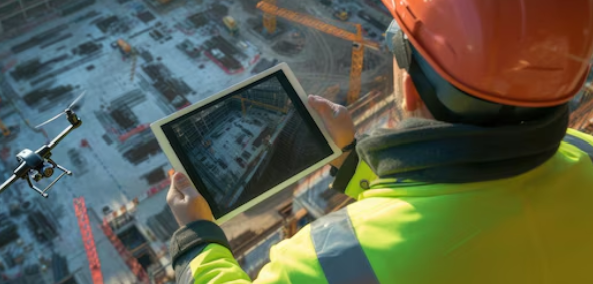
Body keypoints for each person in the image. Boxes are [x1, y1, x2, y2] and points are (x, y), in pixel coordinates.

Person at [165, 0, 593, 283]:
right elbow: (445, 194)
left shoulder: (332, 261)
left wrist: (197, 240)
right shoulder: (582, 151)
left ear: (409, 88)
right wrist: (350, 159)